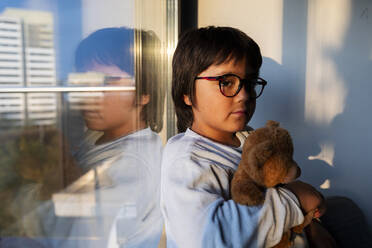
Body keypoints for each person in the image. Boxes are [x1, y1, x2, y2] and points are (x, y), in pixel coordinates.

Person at [160, 26, 334, 247]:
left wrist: (310, 223)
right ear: (186, 92)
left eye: (250, 83)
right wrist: (294, 200)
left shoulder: (249, 138)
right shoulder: (187, 161)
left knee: (345, 211)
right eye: (226, 82)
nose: (243, 95)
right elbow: (208, 237)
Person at [39, 27, 165, 248]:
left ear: (145, 92)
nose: (88, 94)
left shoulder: (130, 166)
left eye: (105, 82)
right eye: (83, 82)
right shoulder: (101, 138)